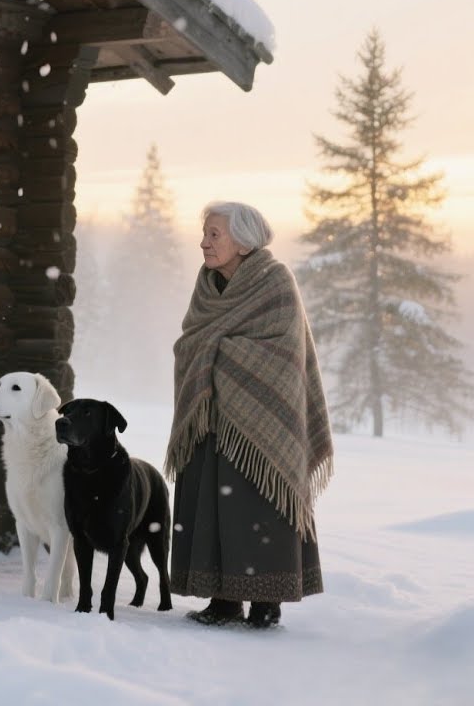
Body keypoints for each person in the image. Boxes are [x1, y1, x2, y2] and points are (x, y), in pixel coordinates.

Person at [163, 201, 334, 629]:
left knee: (257, 507)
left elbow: (282, 353)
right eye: (205, 233)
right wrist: (206, 353)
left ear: (243, 240)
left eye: (214, 234)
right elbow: (192, 342)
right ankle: (223, 599)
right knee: (214, 508)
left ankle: (265, 599)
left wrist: (216, 353)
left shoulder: (274, 282)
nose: (204, 242)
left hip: (262, 425)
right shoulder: (207, 286)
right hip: (211, 417)